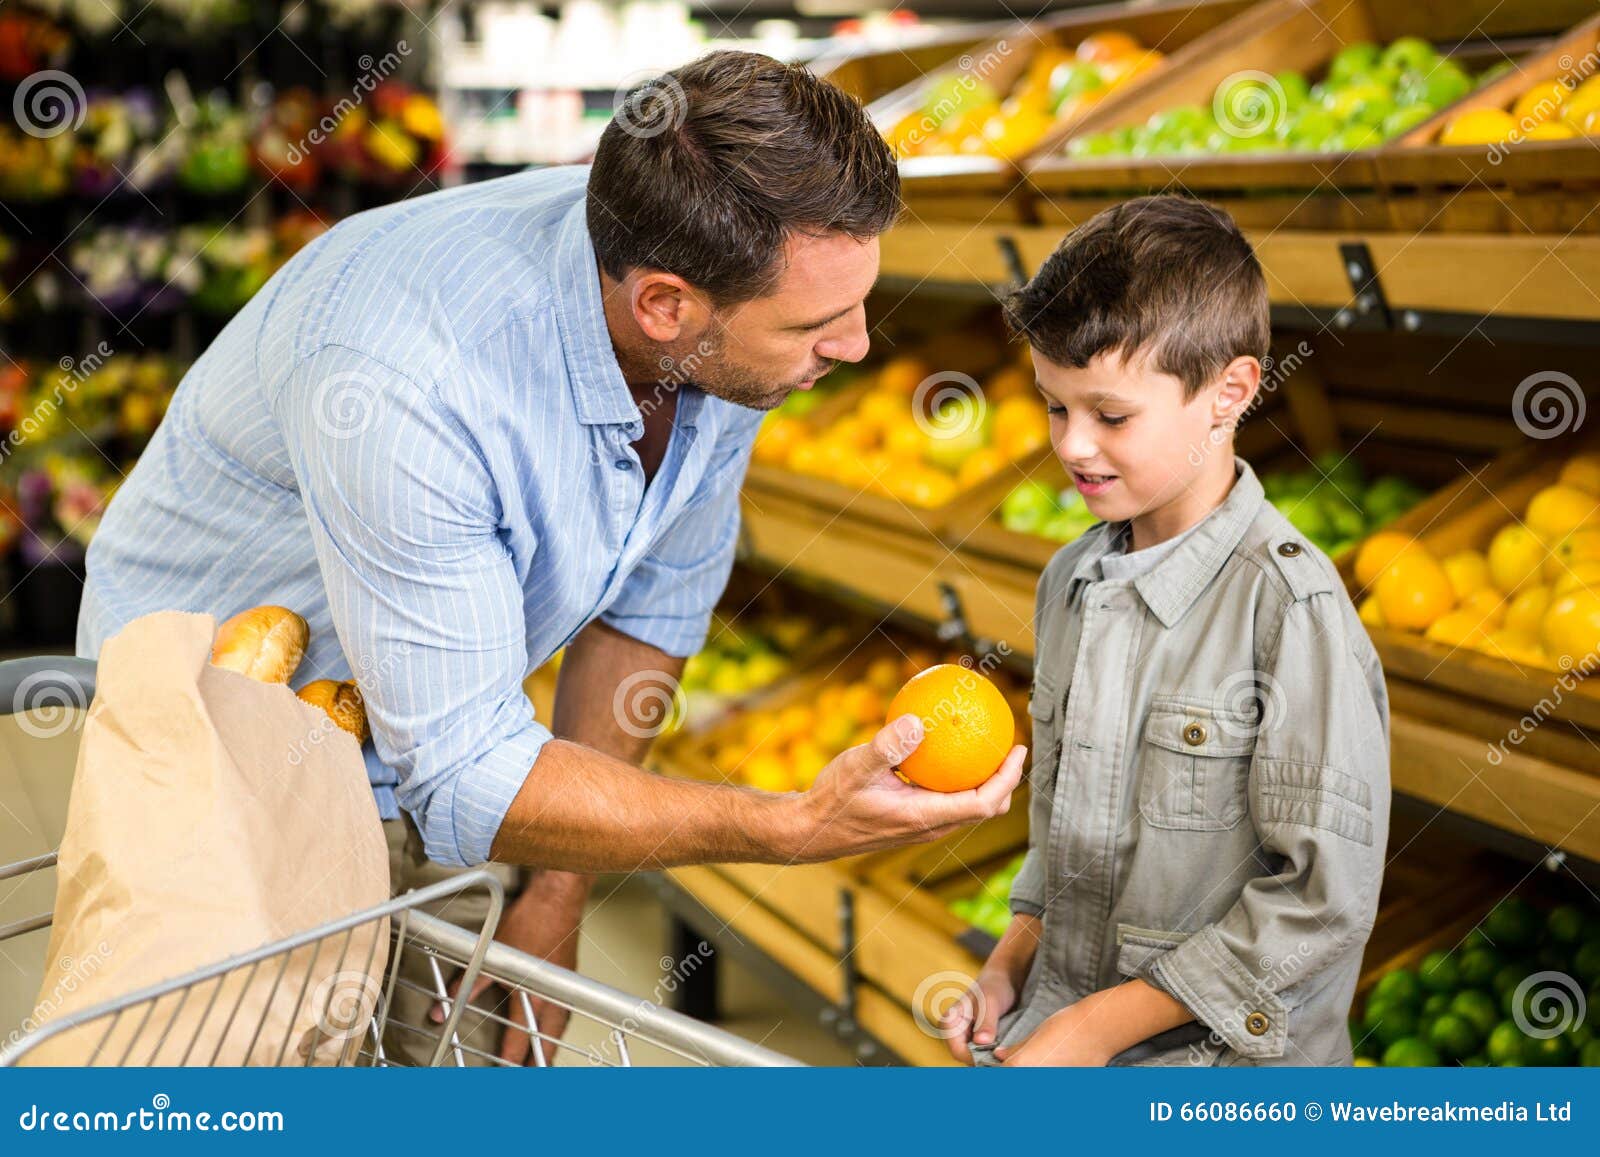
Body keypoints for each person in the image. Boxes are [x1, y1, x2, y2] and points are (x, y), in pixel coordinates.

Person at [76, 51, 1025, 1065]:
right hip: (223, 730)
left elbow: (651, 601)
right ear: (665, 306)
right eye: (817, 324)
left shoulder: (717, 303)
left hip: (433, 713)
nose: (857, 347)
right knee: (244, 1072)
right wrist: (790, 823)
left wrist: (556, 882)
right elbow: (466, 774)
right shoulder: (410, 380)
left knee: (441, 1058)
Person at [943, 196, 1389, 1067]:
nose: (1072, 446)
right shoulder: (1069, 580)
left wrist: (1093, 1026)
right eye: (1053, 407)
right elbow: (1060, 832)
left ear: (1231, 391)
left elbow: (1321, 901)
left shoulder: (1291, 610)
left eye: (1110, 416)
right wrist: (1010, 964)